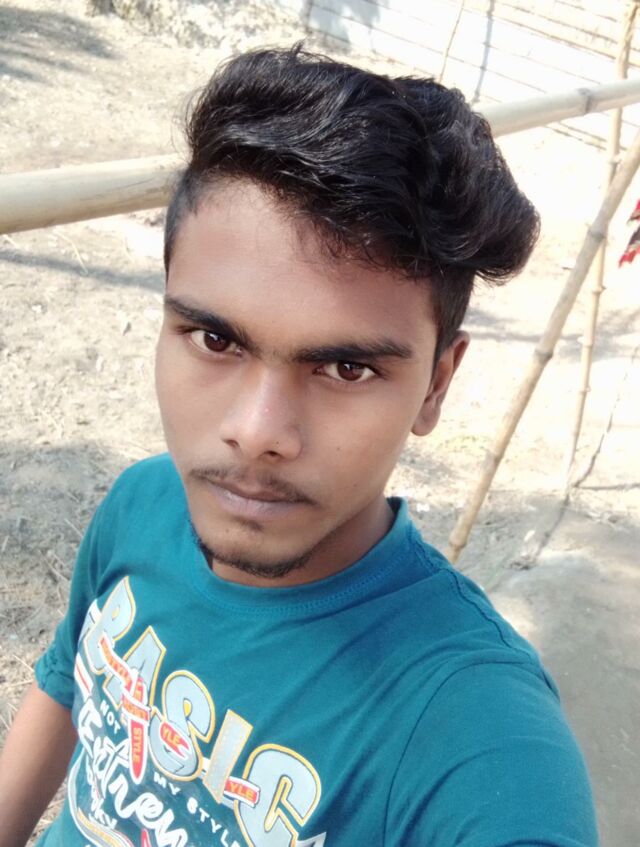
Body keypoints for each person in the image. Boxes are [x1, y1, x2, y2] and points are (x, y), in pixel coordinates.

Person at [0, 46, 597, 847]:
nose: (258, 432)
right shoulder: (141, 502)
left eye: (346, 368)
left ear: (435, 385)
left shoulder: (470, 731)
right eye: (216, 339)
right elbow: (66, 683)